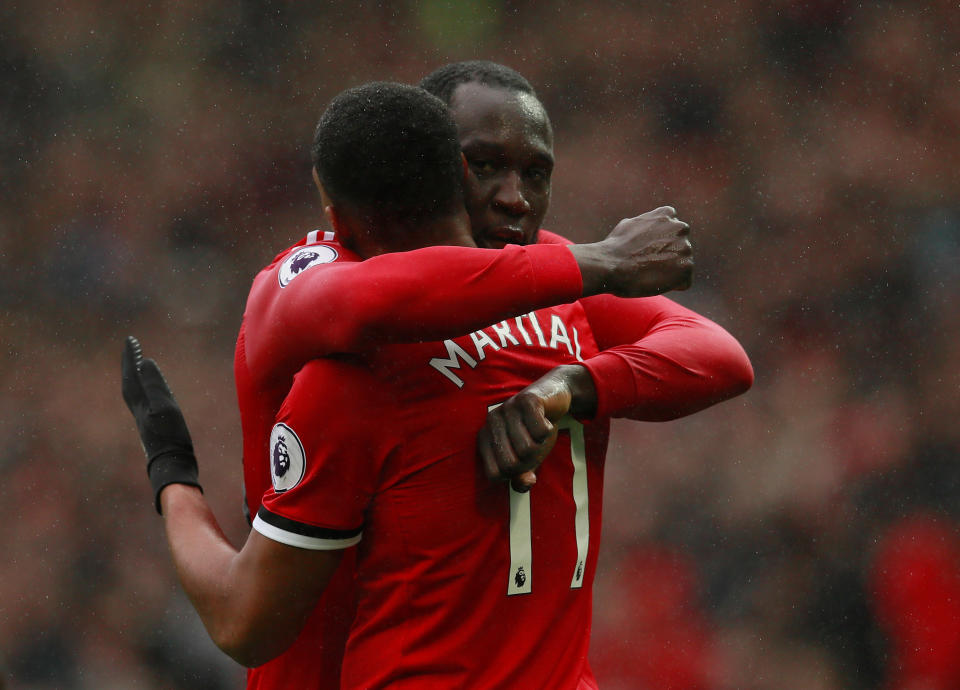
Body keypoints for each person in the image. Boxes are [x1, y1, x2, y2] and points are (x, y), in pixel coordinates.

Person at [123, 81, 750, 687]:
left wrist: (570, 385)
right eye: (486, 166)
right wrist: (604, 260)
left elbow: (720, 356)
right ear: (437, 166)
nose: (514, 198)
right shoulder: (551, 286)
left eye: (536, 174)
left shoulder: (539, 295)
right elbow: (358, 303)